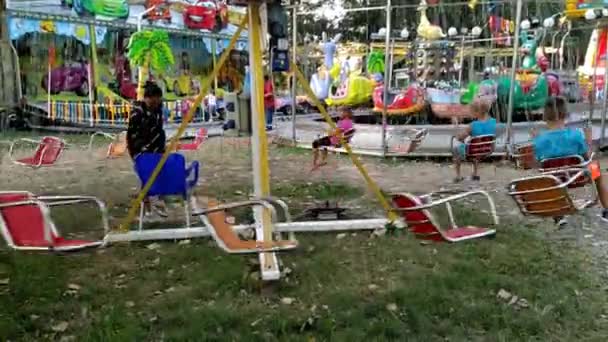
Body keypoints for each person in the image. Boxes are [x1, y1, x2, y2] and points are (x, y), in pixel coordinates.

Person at [532, 96, 608, 223]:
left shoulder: (540, 141)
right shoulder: (575, 135)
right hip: (578, 177)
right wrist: (589, 141)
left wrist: (535, 140)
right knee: (596, 168)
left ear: (544, 117)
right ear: (565, 115)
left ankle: (559, 215)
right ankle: (606, 207)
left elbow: (537, 165)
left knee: (546, 174)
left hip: (553, 181)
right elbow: (588, 157)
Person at [126, 82, 168, 218]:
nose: (156, 104)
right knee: (146, 178)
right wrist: (137, 154)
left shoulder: (158, 110)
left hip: (158, 149)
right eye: (154, 102)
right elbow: (132, 136)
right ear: (148, 98)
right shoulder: (137, 113)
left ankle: (159, 202)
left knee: (159, 175)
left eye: (158, 102)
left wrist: (162, 147)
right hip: (141, 151)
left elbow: (159, 130)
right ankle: (148, 208)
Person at [452, 100, 496, 183]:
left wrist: (456, 126)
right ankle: (475, 174)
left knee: (456, 147)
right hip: (487, 150)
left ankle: (458, 175)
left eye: (472, 111)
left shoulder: (473, 125)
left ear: (477, 112)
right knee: (476, 145)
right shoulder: (494, 122)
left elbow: (459, 138)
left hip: (472, 152)